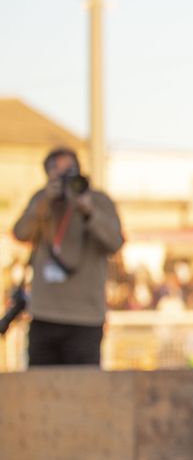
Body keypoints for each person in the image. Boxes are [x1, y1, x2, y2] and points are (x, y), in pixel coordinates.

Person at [11, 148, 124, 367]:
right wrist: (44, 202)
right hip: (44, 314)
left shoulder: (99, 201)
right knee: (41, 389)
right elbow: (20, 233)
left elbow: (115, 243)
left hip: (86, 317)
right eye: (57, 172)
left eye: (69, 170)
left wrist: (89, 212)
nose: (65, 177)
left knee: (83, 391)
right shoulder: (42, 201)